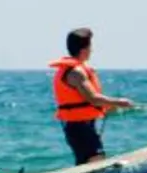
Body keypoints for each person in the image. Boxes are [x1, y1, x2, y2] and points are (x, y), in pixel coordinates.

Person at [51, 27, 135, 165]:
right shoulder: (76, 73)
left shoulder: (73, 70)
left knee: (87, 162)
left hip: (81, 126)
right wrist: (119, 102)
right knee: (96, 159)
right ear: (84, 50)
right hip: (79, 128)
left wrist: (108, 106)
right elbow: (93, 98)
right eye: (90, 46)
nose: (92, 50)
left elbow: (87, 100)